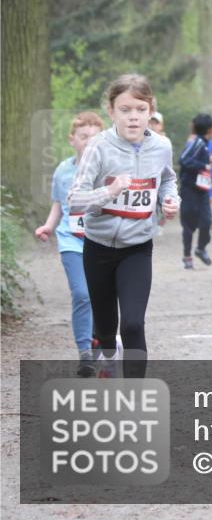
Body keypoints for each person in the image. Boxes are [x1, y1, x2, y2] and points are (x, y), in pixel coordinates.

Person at [68, 74, 180, 378]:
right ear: (111, 111)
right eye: (125, 110)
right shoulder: (98, 147)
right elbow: (74, 200)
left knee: (133, 323)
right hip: (99, 248)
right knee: (106, 329)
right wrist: (110, 191)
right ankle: (106, 349)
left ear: (150, 110)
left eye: (140, 110)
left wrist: (170, 200)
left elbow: (167, 179)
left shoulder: (161, 146)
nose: (133, 117)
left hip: (137, 248)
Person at [34, 111, 105, 376]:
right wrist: (48, 226)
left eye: (94, 137)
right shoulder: (63, 170)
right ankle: (84, 351)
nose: (88, 141)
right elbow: (59, 204)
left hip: (101, 241)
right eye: (83, 137)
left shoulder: (108, 169)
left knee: (102, 296)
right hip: (71, 241)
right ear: (72, 140)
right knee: (82, 293)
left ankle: (101, 338)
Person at [178, 114, 212, 269]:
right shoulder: (197, 142)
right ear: (210, 130)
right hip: (189, 191)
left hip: (202, 191)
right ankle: (187, 256)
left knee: (206, 222)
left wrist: (208, 160)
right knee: (188, 225)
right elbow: (183, 160)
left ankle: (200, 249)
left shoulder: (204, 144)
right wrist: (204, 165)